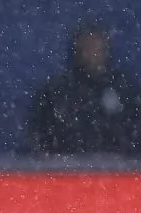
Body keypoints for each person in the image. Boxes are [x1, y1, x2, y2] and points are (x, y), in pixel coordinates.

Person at [24, 20, 141, 155]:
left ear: (106, 50)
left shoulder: (124, 89)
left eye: (96, 48)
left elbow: (135, 131)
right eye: (87, 48)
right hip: (66, 170)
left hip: (117, 171)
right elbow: (38, 135)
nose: (92, 54)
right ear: (76, 50)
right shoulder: (55, 91)